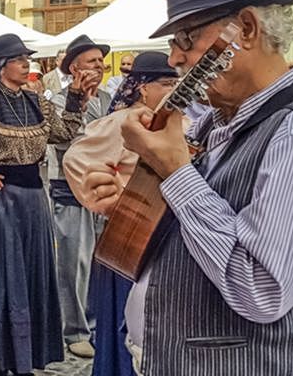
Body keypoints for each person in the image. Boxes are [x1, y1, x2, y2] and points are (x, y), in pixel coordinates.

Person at [84, 0, 293, 376]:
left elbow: (260, 287)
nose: (175, 59)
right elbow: (208, 232)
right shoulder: (219, 126)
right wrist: (134, 210)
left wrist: (178, 174)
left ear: (247, 29)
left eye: (186, 39)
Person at [0, 33, 92, 375]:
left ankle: (25, 357)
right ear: (0, 66)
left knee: (30, 279)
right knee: (0, 280)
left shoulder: (37, 102)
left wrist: (77, 96)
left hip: (32, 203)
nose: (27, 65)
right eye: (20, 59)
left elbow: (64, 134)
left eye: (28, 59)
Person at [63, 51, 179, 376]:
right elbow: (76, 159)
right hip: (130, 241)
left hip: (167, 241)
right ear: (143, 88)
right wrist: (113, 200)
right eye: (167, 83)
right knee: (125, 327)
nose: (175, 88)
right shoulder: (123, 122)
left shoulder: (175, 121)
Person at [47, 35, 112, 360]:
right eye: (92, 61)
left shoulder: (107, 97)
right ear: (74, 67)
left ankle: (96, 324)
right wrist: (77, 102)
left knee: (99, 262)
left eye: (101, 61)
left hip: (102, 188)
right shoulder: (58, 101)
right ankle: (74, 330)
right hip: (70, 188)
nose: (99, 67)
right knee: (74, 263)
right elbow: (64, 141)